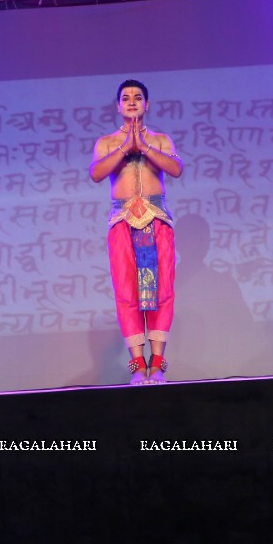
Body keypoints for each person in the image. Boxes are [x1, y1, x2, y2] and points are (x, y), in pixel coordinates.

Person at [90, 79, 183, 384]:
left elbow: (176, 168)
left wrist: (142, 147)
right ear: (118, 106)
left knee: (162, 291)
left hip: (156, 219)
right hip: (122, 221)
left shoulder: (160, 140)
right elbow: (97, 173)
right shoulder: (105, 143)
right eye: (126, 98)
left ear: (147, 105)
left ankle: (157, 364)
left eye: (138, 97)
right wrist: (124, 148)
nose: (132, 102)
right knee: (127, 293)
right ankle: (137, 366)